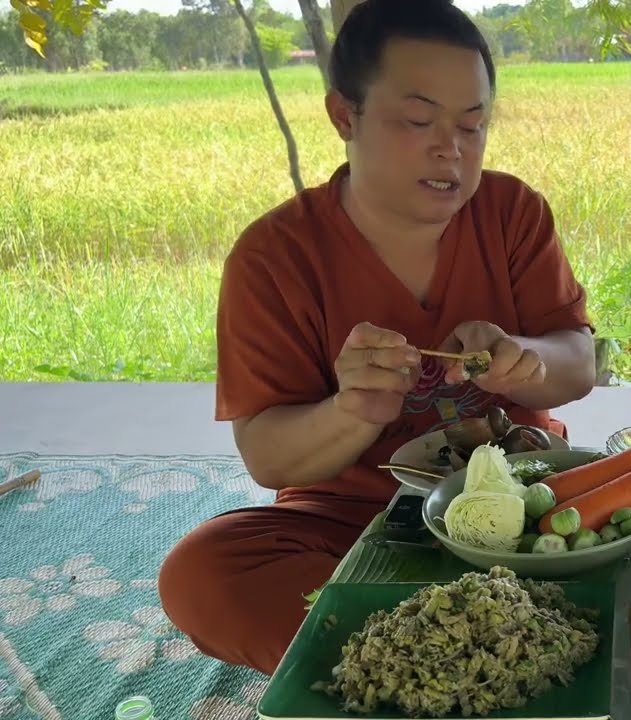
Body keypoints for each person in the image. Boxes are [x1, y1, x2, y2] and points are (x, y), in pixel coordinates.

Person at [158, 0, 596, 677]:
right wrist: (349, 412)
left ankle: (401, 649)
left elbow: (578, 364)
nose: (450, 147)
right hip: (351, 524)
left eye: (472, 126)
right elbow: (269, 458)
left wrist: (525, 359)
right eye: (418, 121)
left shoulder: (512, 214)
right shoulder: (275, 257)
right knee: (201, 573)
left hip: (522, 501)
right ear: (344, 116)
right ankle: (483, 641)